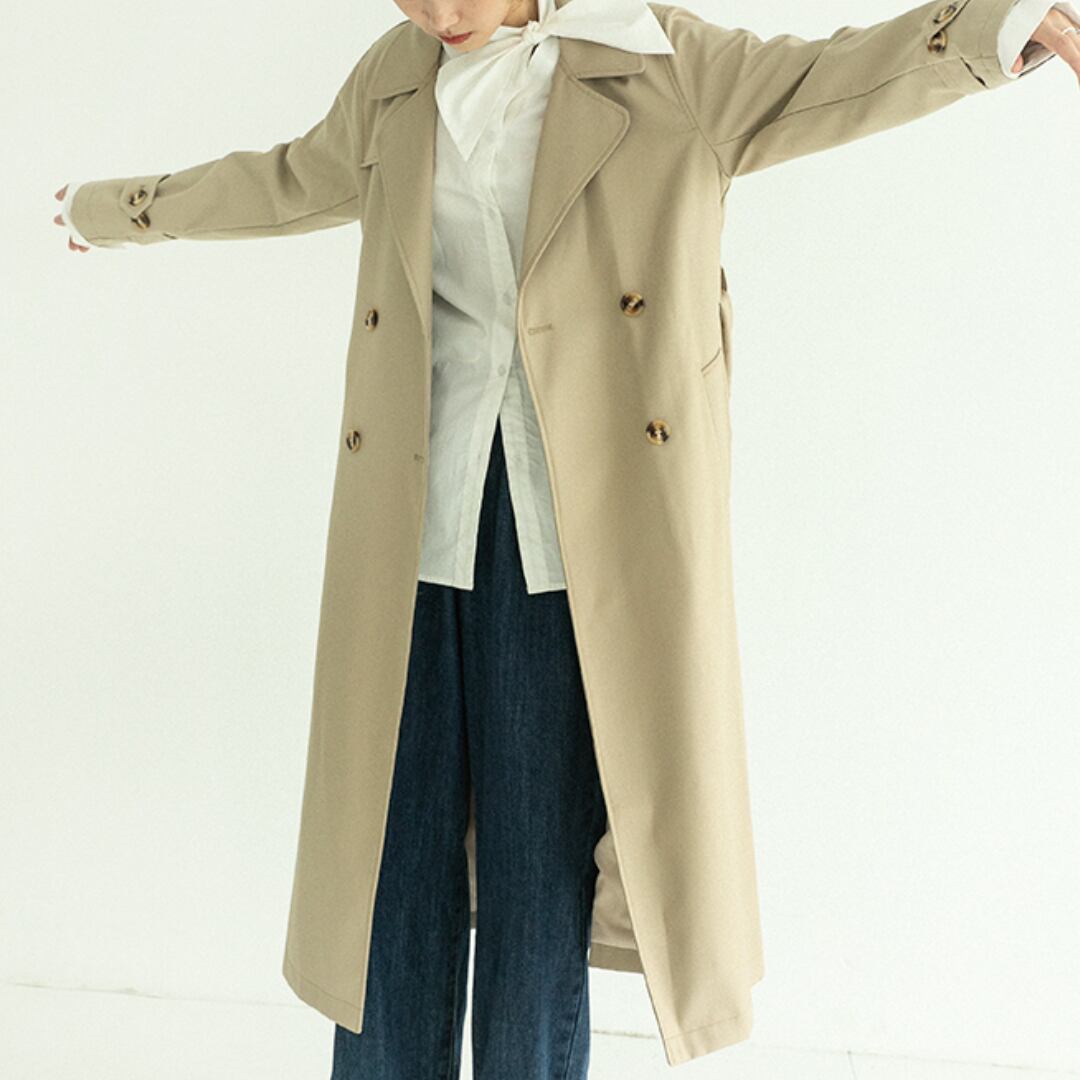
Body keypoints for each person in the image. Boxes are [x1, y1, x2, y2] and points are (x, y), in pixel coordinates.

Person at [51, 1, 1080, 1076]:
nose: (440, 16)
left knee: (538, 872)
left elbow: (834, 76)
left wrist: (996, 26)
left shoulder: (658, 58)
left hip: (566, 533)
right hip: (414, 520)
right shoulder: (396, 76)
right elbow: (285, 181)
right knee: (388, 869)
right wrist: (112, 210)